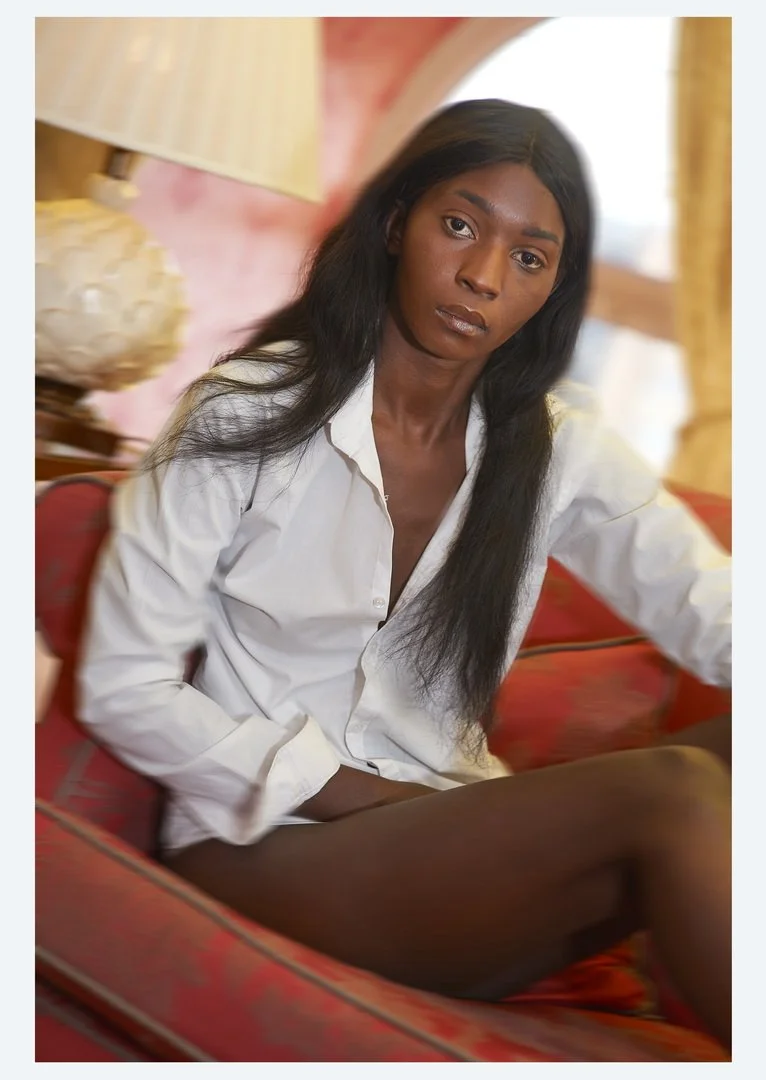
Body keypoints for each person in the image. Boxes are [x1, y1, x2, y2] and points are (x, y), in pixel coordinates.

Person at [79, 99, 731, 1047]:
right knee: (671, 787)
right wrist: (367, 792)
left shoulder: (557, 449)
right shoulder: (244, 414)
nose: (482, 275)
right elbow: (121, 686)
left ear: (551, 287)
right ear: (396, 223)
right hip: (273, 847)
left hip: (457, 859)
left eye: (529, 257)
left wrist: (447, 808)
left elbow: (722, 616)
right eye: (459, 225)